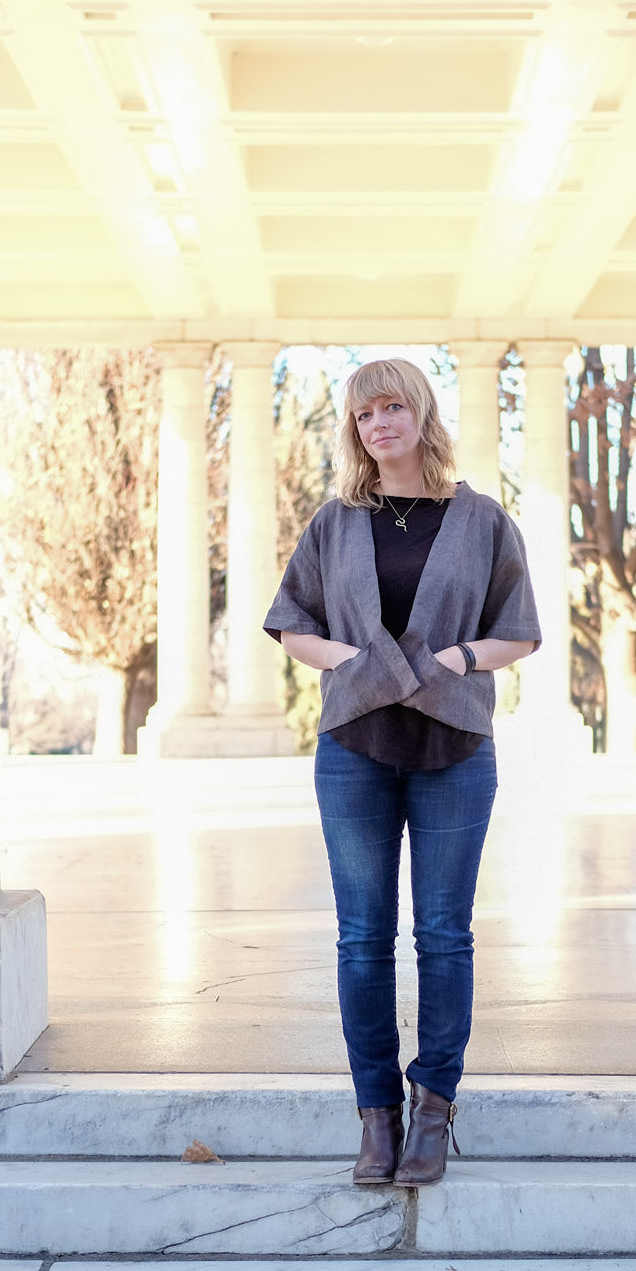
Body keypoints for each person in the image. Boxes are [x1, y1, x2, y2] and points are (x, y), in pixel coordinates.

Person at [264, 357, 540, 1186]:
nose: (378, 423)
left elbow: (519, 633)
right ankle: (375, 1117)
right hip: (354, 747)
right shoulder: (334, 522)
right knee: (361, 940)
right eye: (362, 413)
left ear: (419, 413)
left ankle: (433, 1109)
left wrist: (454, 656)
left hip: (454, 748)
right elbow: (290, 624)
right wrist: (356, 659)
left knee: (444, 936)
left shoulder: (481, 517)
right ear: (353, 430)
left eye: (392, 407)